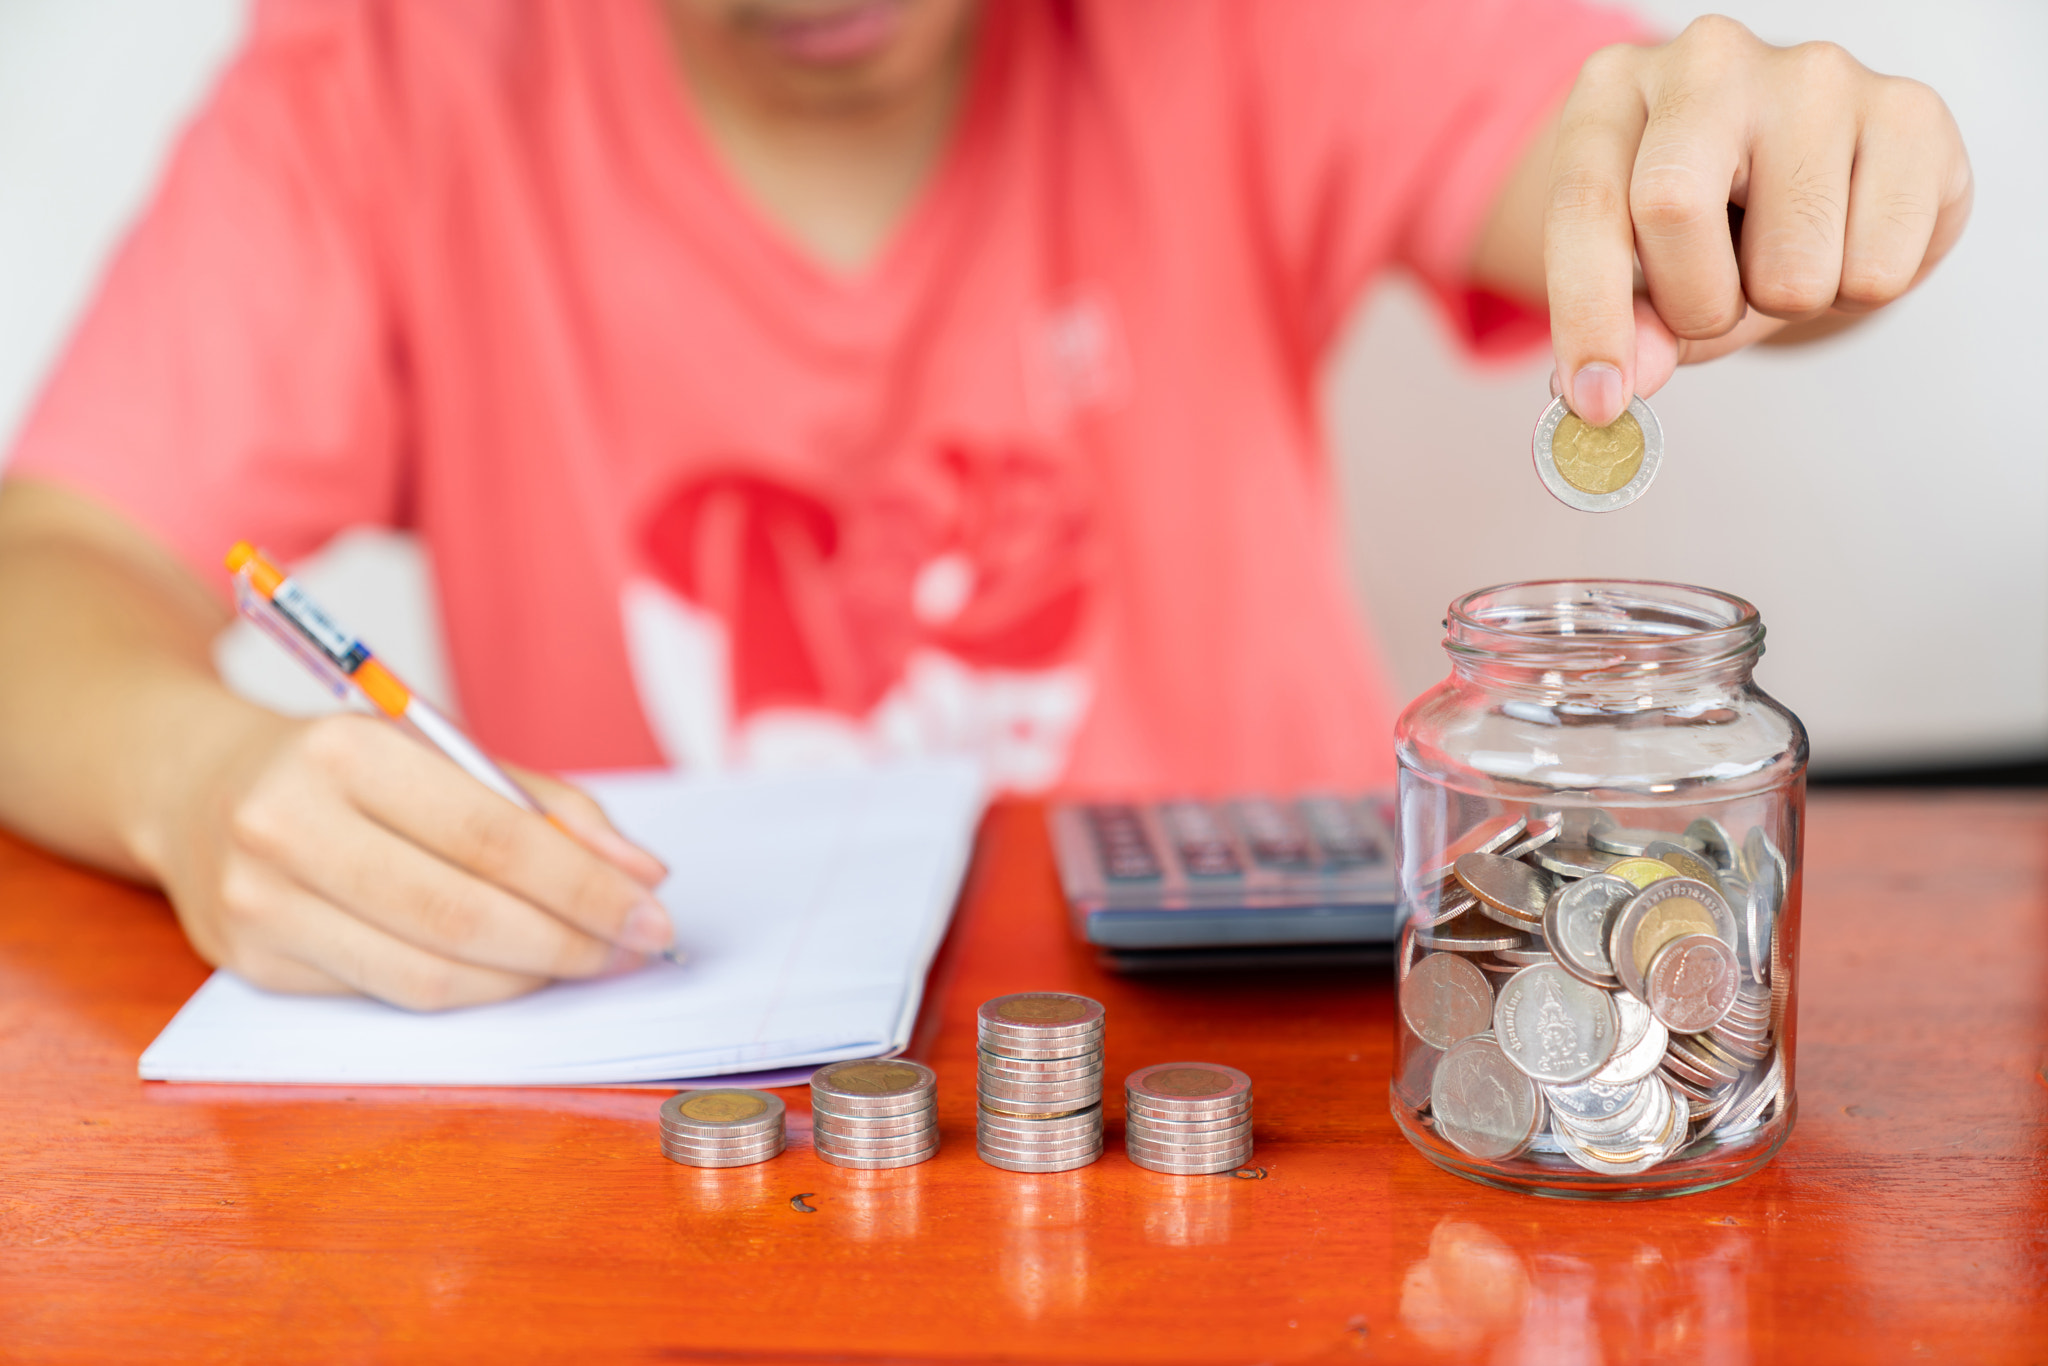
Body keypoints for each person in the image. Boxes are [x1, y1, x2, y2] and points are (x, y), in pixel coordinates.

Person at [0, 0, 1970, 1010]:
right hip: (683, 1148)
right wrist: (196, 782)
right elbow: (49, 564)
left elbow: (1592, 165)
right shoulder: (383, 78)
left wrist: (1720, 172)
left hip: (1293, 1082)